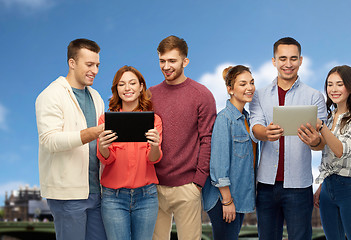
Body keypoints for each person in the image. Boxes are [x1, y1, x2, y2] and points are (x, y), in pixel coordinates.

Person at [249, 37, 327, 240]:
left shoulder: (314, 96)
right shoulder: (259, 95)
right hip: (265, 185)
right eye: (282, 58)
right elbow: (255, 127)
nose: (288, 64)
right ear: (274, 61)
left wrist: (314, 141)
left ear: (301, 60)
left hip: (299, 187)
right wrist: (265, 133)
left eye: (293, 58)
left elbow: (322, 143)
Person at [35, 38, 107, 240]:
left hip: (97, 192)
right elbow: (49, 140)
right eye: (89, 64)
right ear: (72, 63)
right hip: (67, 195)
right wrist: (90, 133)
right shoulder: (50, 96)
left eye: (97, 65)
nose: (95, 70)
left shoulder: (96, 97)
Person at [149, 35, 217, 240]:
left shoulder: (202, 95)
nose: (166, 66)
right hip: (154, 186)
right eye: (162, 61)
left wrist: (198, 182)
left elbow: (208, 139)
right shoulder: (150, 95)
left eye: (172, 61)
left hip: (188, 187)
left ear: (185, 61)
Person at [298, 65, 351, 240]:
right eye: (330, 84)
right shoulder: (329, 118)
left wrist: (321, 127)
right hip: (327, 189)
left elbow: (340, 150)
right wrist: (322, 186)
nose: (333, 89)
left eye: (339, 84)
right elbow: (324, 151)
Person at [97, 65, 163, 240]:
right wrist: (103, 146)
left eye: (132, 83)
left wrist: (155, 145)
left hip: (146, 197)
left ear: (141, 87)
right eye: (121, 84)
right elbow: (107, 160)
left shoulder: (154, 120)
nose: (127, 88)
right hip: (114, 198)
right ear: (116, 90)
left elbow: (153, 159)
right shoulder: (106, 119)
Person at [202, 65, 257, 240]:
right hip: (223, 199)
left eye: (251, 82)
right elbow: (218, 165)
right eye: (243, 84)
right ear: (230, 89)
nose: (249, 88)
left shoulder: (247, 119)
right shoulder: (225, 119)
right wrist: (227, 201)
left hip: (238, 197)